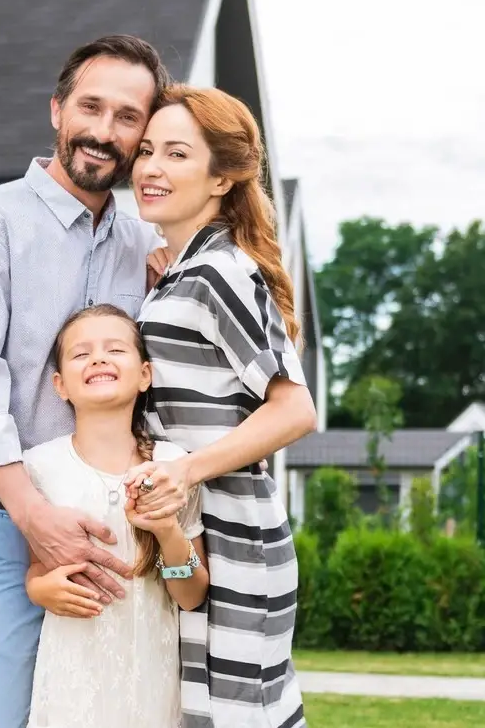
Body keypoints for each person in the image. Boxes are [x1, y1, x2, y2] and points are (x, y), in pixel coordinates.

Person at [0, 34, 172, 728]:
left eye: (128, 117)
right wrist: (37, 519)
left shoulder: (141, 248)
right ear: (57, 111)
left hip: (113, 525)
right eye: (90, 107)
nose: (104, 130)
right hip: (8, 518)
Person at [122, 85, 319, 727]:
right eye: (147, 150)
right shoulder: (187, 272)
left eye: (177, 154)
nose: (151, 167)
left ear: (223, 177)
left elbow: (294, 411)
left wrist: (185, 471)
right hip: (201, 535)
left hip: (238, 537)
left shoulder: (218, 274)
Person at [22, 304, 209, 728]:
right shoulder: (38, 467)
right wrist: (39, 590)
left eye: (115, 349)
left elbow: (191, 596)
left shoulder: (173, 466)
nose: (99, 359)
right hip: (71, 687)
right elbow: (35, 570)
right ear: (60, 384)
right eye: (81, 353)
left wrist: (165, 529)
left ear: (145, 375)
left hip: (150, 688)